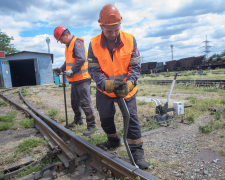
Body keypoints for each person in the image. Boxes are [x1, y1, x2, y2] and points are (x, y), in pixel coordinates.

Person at [87, 4, 148, 169]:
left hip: (126, 89)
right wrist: (104, 83)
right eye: (109, 31)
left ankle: (136, 152)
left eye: (116, 30)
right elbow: (93, 70)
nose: (113, 34)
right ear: (101, 26)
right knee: (106, 118)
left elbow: (135, 67)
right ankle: (113, 140)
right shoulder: (93, 44)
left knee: (132, 118)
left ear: (120, 25)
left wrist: (129, 84)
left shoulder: (130, 39)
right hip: (105, 89)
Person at [53, 26, 96, 136]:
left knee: (85, 103)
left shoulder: (77, 43)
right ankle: (78, 120)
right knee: (75, 102)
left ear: (66, 35)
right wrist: (62, 69)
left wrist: (72, 70)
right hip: (75, 80)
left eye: (61, 40)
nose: (61, 42)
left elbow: (81, 58)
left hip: (83, 79)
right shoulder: (68, 46)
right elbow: (68, 61)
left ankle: (92, 126)